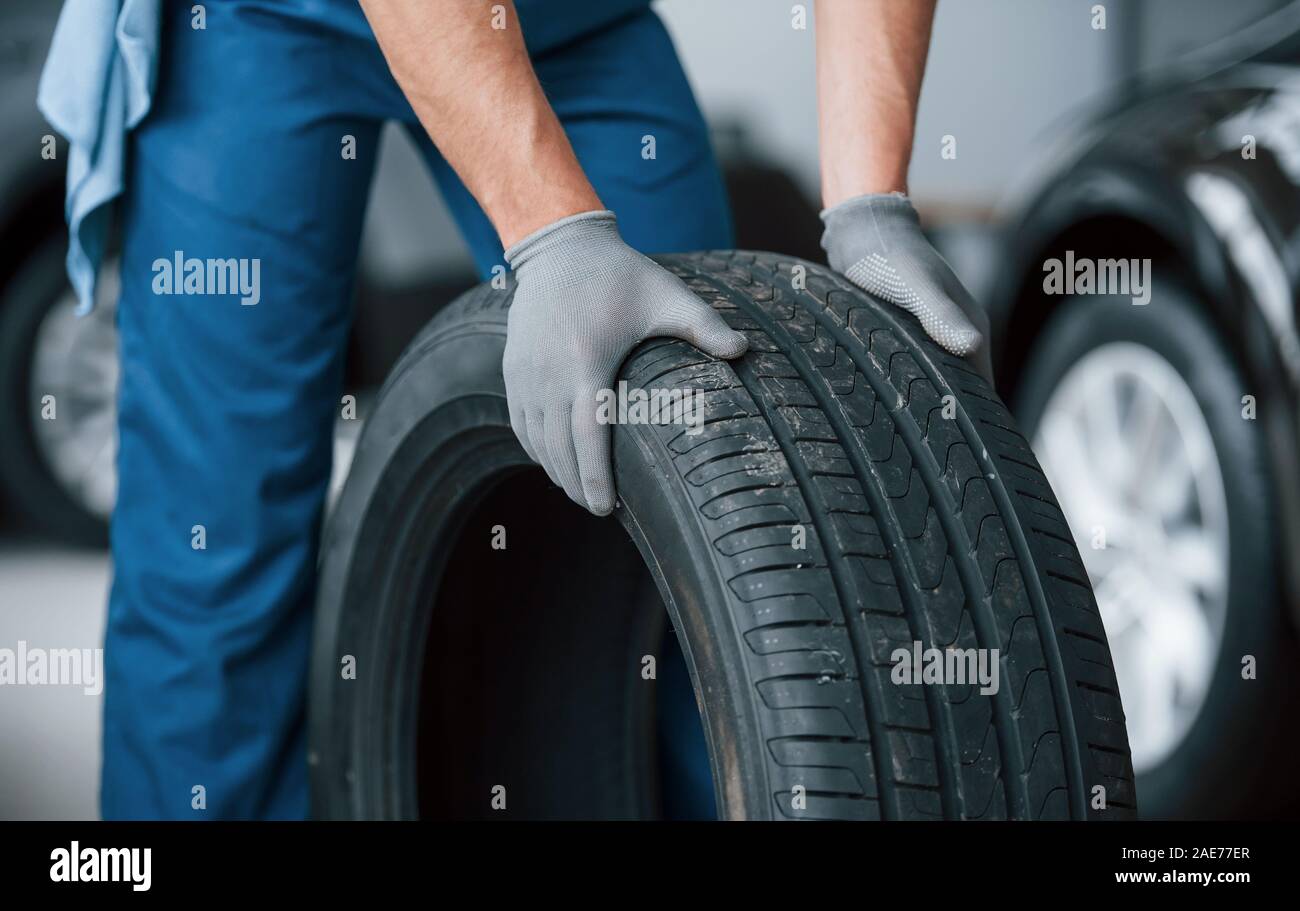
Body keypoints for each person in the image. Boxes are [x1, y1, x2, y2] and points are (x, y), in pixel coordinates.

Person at [40, 0, 990, 819]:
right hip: (253, 23)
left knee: (718, 475)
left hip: (570, 20)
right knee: (213, 537)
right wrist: (556, 234)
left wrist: (869, 203)